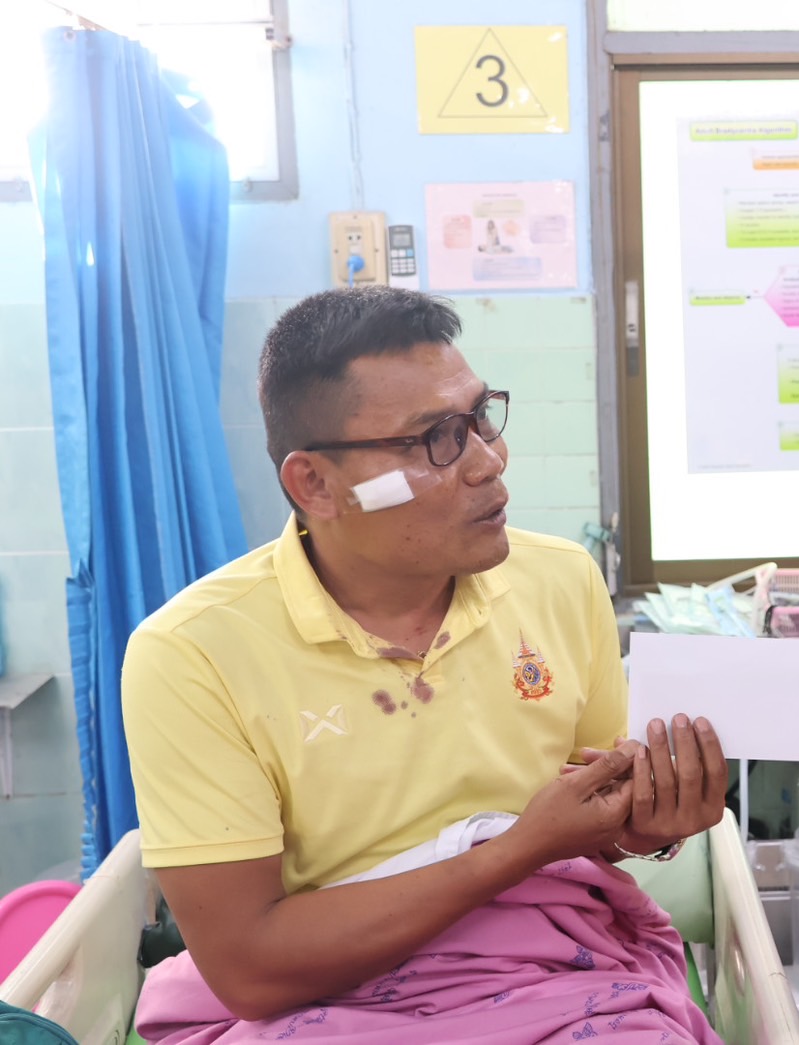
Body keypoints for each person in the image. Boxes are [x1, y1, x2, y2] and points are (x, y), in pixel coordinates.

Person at [122, 286, 728, 1039]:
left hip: (551, 972)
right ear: (316, 484)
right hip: (329, 1001)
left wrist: (648, 827)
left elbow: (593, 830)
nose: (489, 462)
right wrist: (515, 851)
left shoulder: (560, 582)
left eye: (481, 417)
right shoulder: (193, 653)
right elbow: (249, 970)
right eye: (437, 438)